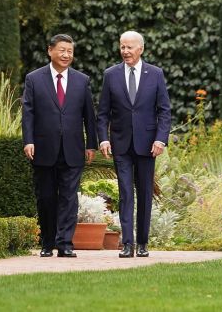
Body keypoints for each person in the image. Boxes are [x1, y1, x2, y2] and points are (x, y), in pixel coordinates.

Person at [96, 30, 171, 258]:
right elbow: (102, 113)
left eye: (129, 47)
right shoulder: (111, 75)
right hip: (120, 144)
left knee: (145, 194)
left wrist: (160, 138)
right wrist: (103, 138)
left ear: (141, 49)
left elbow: (164, 111)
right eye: (122, 47)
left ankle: (143, 244)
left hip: (148, 145)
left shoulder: (155, 74)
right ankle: (127, 244)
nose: (125, 51)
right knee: (126, 193)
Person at [21, 33, 97, 257]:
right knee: (45, 197)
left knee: (69, 198)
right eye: (62, 50)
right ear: (50, 51)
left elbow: (88, 116)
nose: (66, 55)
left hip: (73, 149)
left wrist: (90, 144)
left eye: (70, 51)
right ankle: (47, 243)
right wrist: (29, 141)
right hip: (43, 149)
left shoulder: (82, 80)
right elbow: (28, 113)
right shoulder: (34, 79)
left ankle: (64, 244)